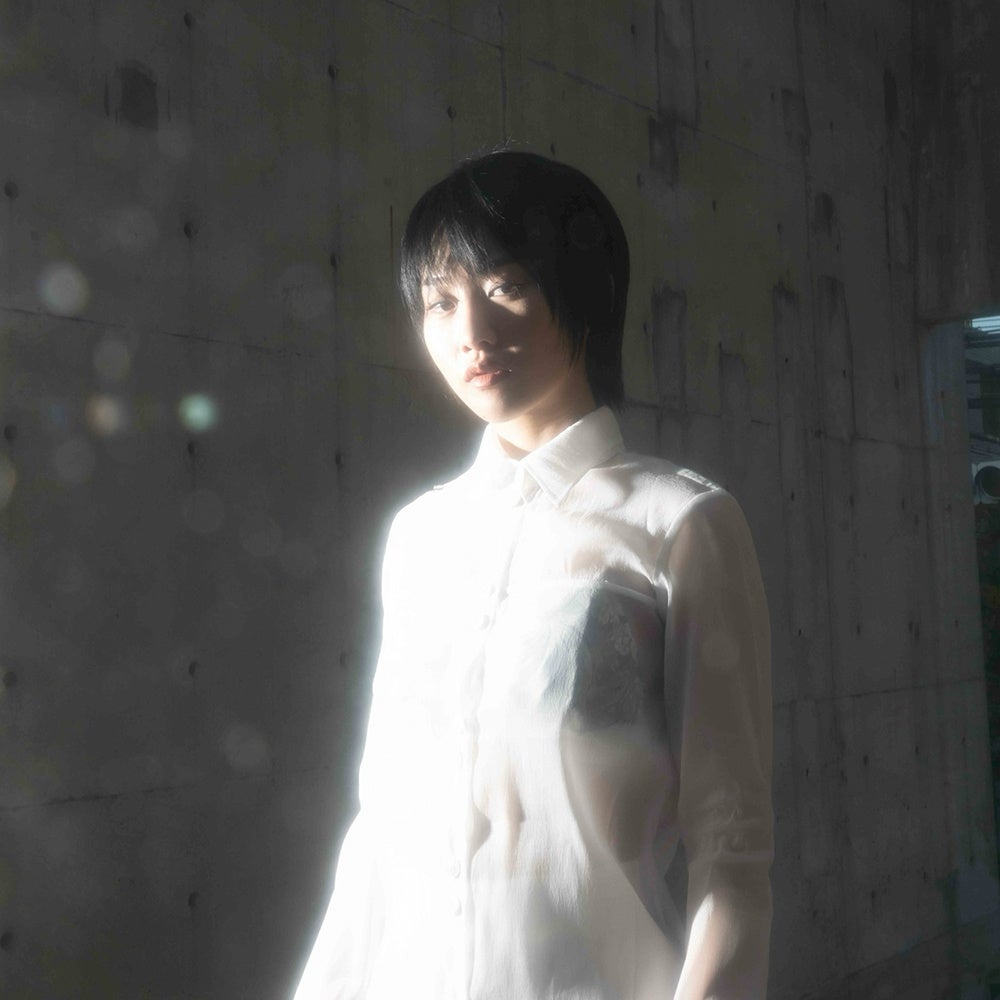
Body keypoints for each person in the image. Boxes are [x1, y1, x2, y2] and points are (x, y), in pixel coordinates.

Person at [294, 150, 773, 1000]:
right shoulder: (420, 537)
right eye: (440, 302)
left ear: (581, 289)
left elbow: (731, 850)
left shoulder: (677, 523)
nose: (470, 332)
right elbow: (380, 834)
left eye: (506, 285)